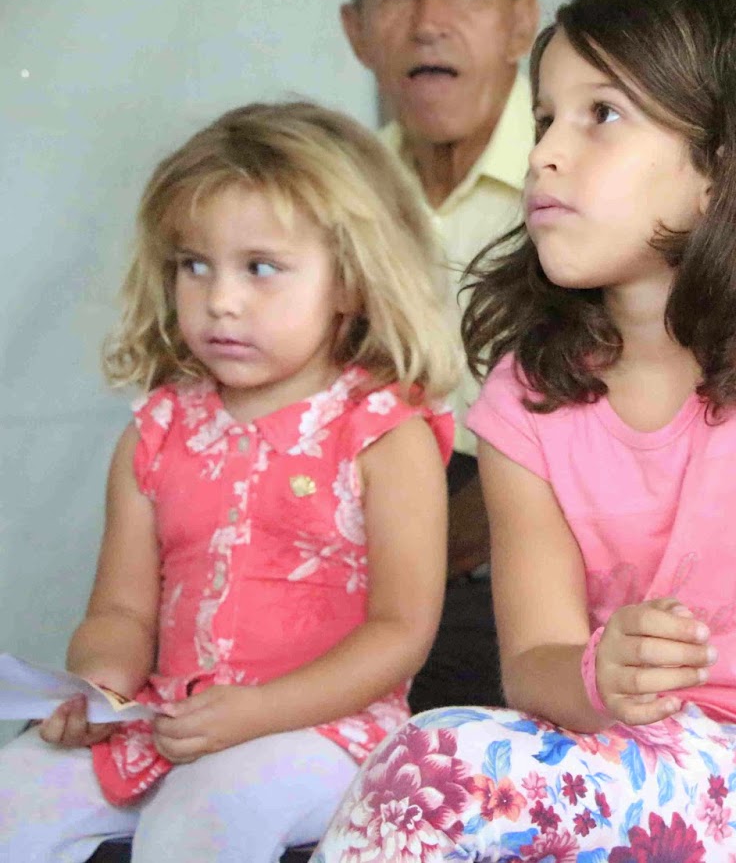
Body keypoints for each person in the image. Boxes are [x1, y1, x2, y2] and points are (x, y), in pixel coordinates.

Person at [310, 0, 736, 863]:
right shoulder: (525, 396)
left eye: (602, 115)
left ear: (725, 167)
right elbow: (535, 664)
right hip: (613, 764)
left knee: (437, 765)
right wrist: (597, 675)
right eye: (546, 117)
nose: (545, 153)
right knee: (438, 766)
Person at [0, 103, 459, 861]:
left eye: (260, 268)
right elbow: (120, 611)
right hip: (170, 725)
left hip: (329, 735)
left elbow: (400, 632)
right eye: (195, 265)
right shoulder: (157, 433)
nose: (220, 299)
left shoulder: (382, 433)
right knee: (14, 788)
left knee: (209, 809)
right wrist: (100, 690)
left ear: (349, 281)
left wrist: (257, 712)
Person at [340, 0, 540, 710]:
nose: (430, 23)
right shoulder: (336, 196)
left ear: (521, 22)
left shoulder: (583, 173)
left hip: (531, 564)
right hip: (364, 549)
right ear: (355, 33)